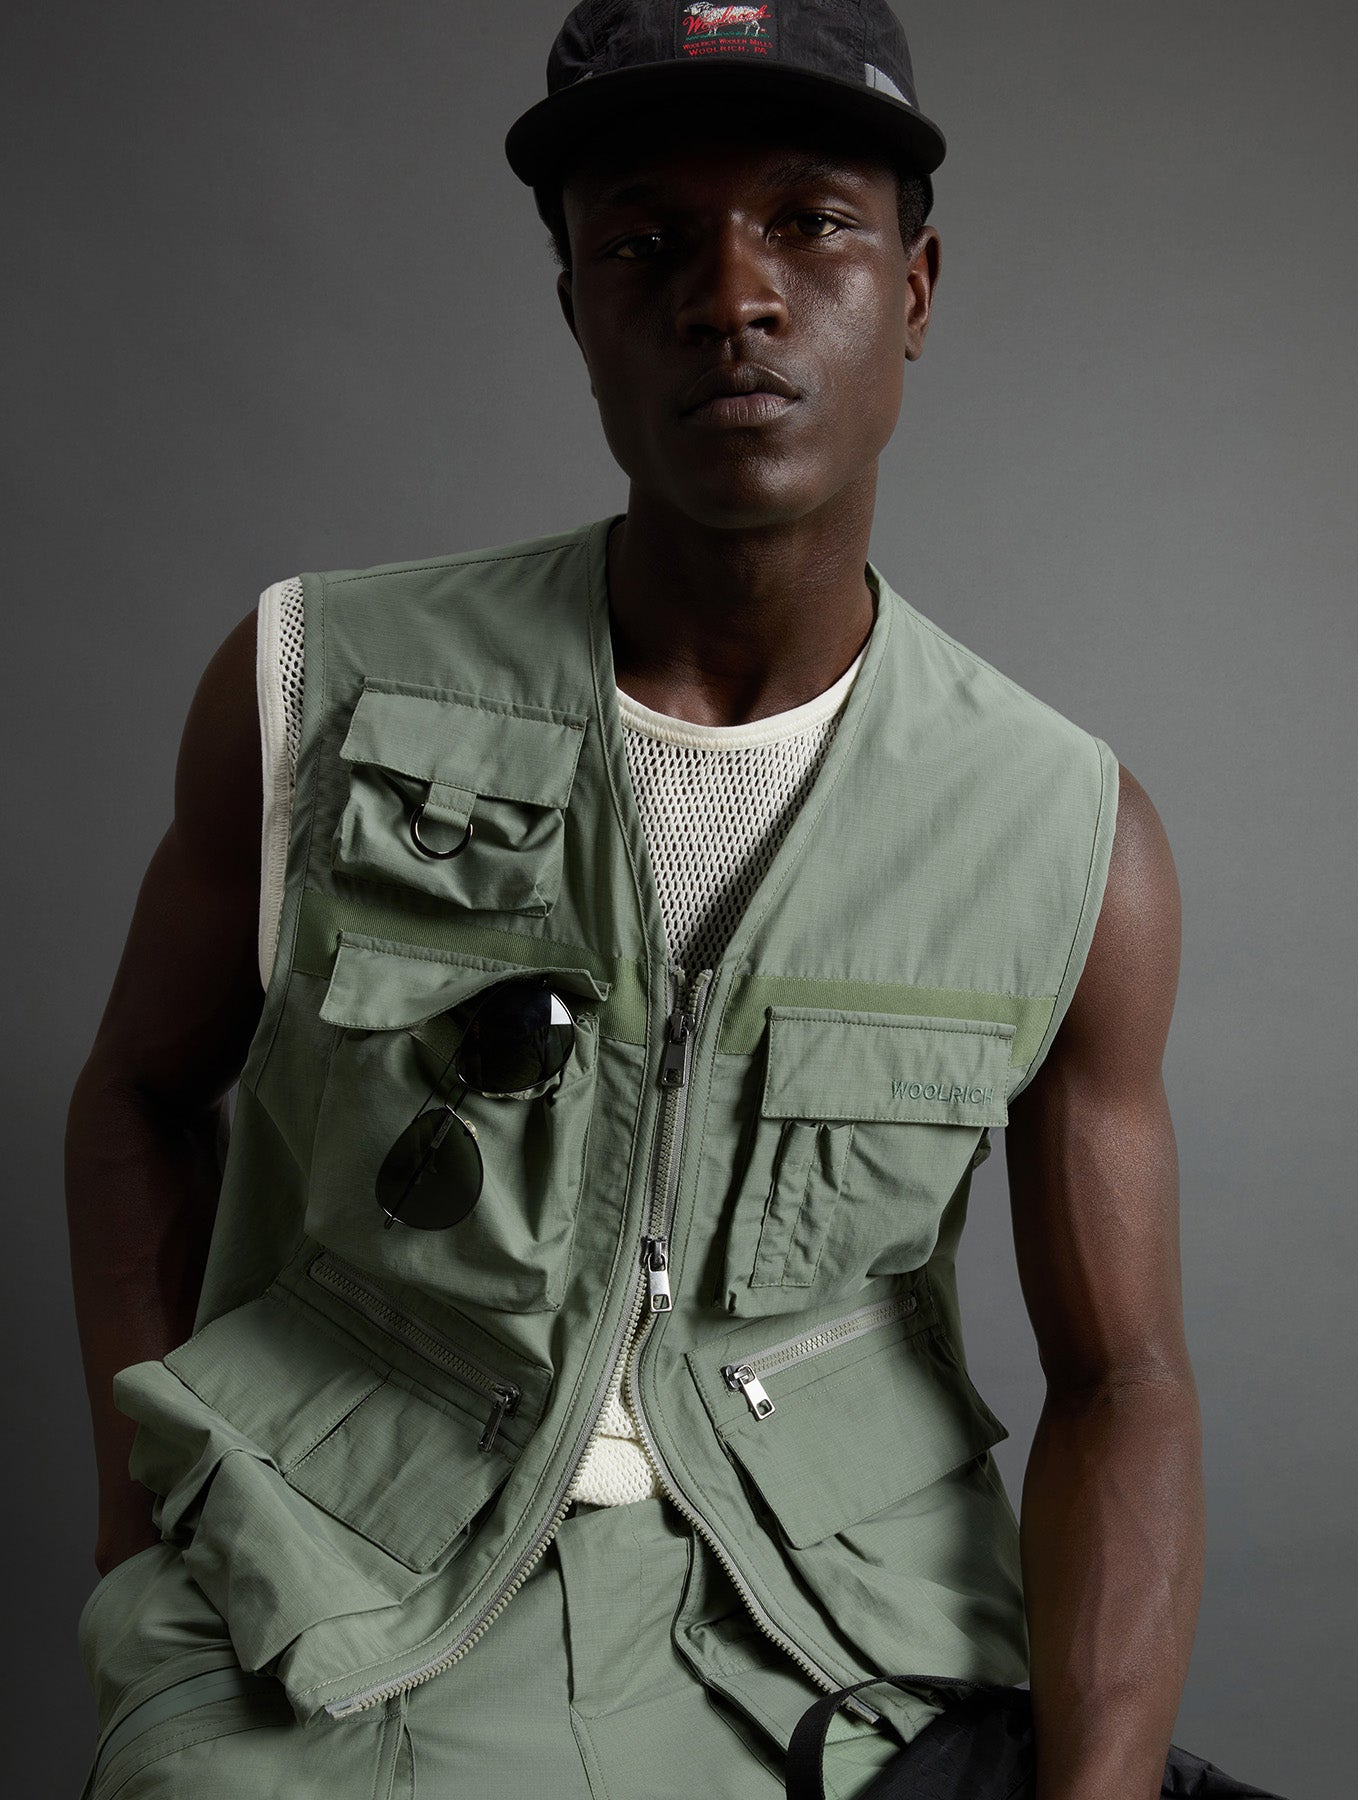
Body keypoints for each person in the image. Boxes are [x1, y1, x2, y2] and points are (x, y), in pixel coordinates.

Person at [64, 3, 1204, 1796]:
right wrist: (143, 1551)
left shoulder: (1067, 832)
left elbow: (1125, 1381)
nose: (731, 296)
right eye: (648, 242)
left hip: (839, 1651)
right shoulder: (313, 684)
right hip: (335, 1607)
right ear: (578, 307)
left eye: (811, 224)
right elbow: (136, 1095)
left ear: (913, 288)